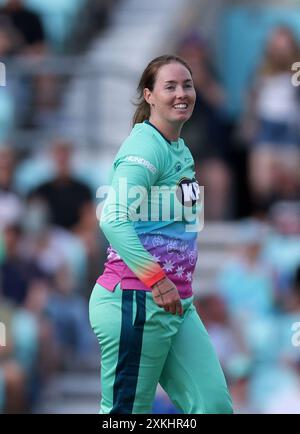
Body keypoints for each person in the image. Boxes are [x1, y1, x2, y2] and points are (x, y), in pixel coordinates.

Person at [89, 55, 233, 414]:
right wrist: (157, 279)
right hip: (137, 299)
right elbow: (112, 218)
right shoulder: (145, 146)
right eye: (170, 86)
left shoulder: (179, 148)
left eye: (187, 84)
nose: (182, 93)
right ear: (149, 95)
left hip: (178, 305)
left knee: (213, 406)